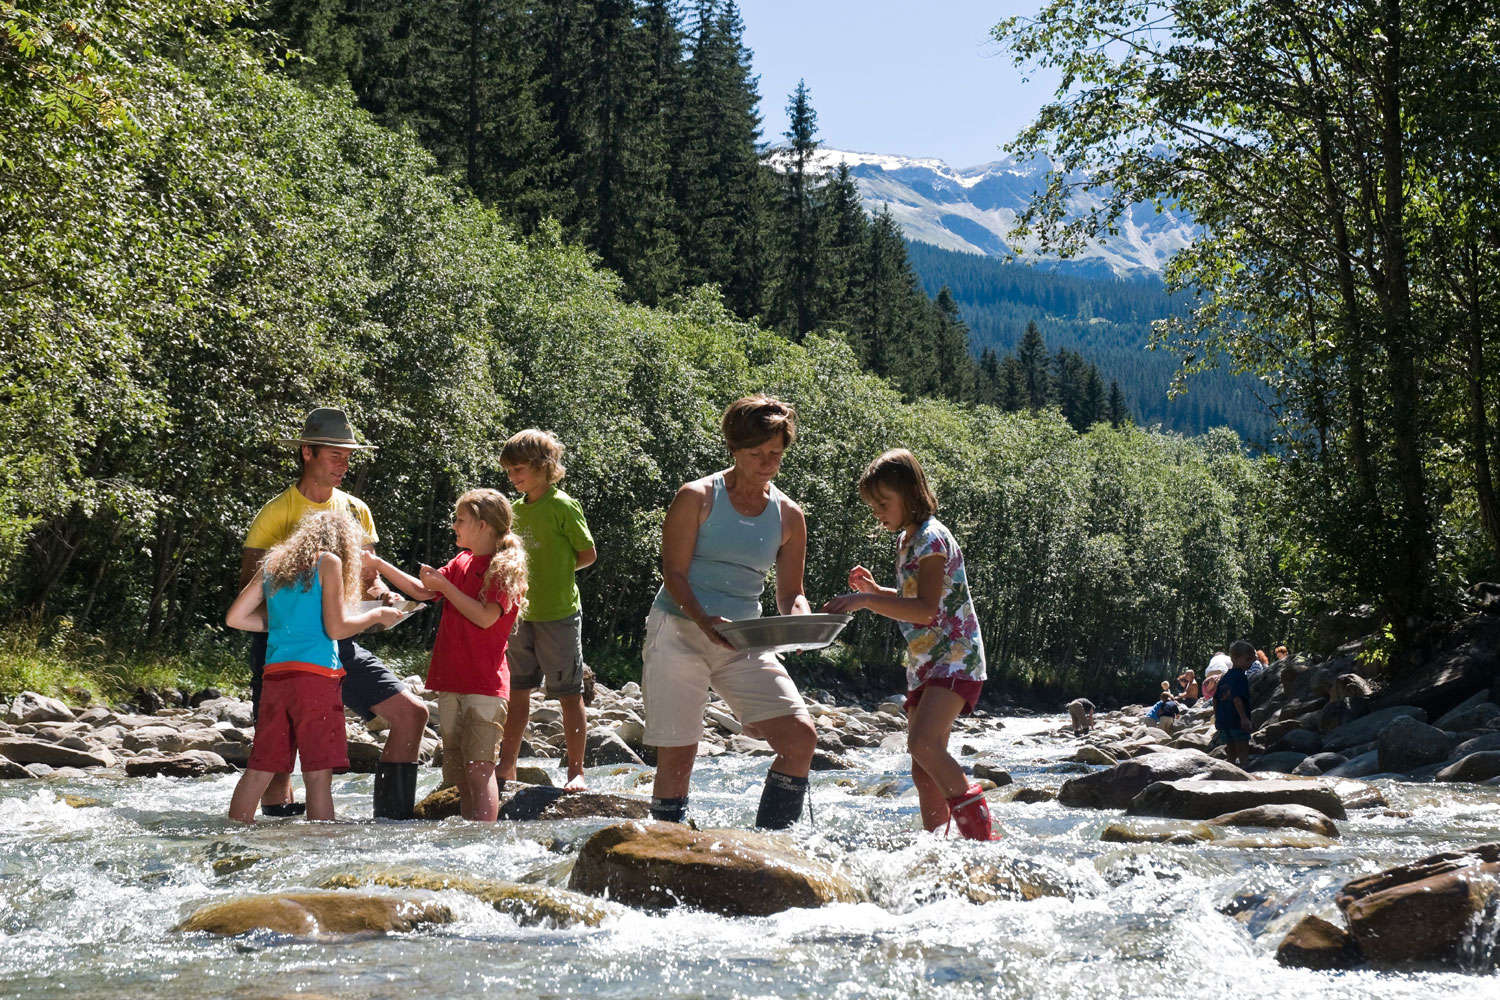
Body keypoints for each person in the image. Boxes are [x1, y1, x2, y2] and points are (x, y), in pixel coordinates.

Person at [239, 408, 431, 820]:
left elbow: (368, 579)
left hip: (340, 645)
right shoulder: (275, 514)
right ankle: (276, 857)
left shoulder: (358, 511)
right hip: (284, 652)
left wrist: (384, 598)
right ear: (307, 452)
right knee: (277, 762)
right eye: (335, 455)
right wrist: (298, 624)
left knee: (412, 714)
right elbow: (251, 593)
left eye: (348, 456)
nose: (344, 464)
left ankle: (391, 824)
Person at [643, 395, 818, 829]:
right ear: (734, 449)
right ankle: (666, 847)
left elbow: (790, 592)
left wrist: (802, 622)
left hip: (745, 639)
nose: (766, 462)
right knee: (679, 757)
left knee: (800, 741)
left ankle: (772, 846)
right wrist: (704, 619)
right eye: (755, 453)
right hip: (679, 629)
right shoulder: (696, 497)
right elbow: (675, 574)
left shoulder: (790, 515)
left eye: (775, 453)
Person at [826, 449, 995, 840]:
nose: (877, 513)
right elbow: (914, 598)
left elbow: (925, 610)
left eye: (883, 503)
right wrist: (875, 590)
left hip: (955, 659)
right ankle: (939, 843)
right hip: (927, 663)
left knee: (923, 744)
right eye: (872, 506)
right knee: (922, 762)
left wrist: (866, 601)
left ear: (911, 494)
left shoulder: (932, 539)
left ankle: (982, 841)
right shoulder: (909, 538)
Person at [225, 511, 403, 822]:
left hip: (275, 677)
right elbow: (336, 629)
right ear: (342, 543)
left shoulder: (273, 563)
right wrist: (377, 616)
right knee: (318, 777)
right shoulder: (329, 562)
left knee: (259, 770)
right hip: (316, 678)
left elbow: (235, 618)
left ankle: (229, 842)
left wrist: (285, 624)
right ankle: (322, 852)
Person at [372, 489, 526, 821]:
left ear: (482, 525)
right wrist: (378, 564)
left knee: (480, 769)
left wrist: (445, 587)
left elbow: (485, 617)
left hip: (485, 687)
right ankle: (469, 837)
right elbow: (424, 590)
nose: (454, 526)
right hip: (453, 682)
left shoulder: (504, 569)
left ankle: (484, 839)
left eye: (460, 520)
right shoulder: (462, 561)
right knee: (458, 776)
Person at [495, 430, 597, 792]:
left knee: (569, 694)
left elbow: (588, 554)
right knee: (517, 691)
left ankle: (576, 772)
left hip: (560, 614)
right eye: (508, 471)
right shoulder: (514, 511)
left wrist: (559, 572)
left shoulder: (563, 506)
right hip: (521, 615)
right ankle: (506, 767)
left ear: (544, 466)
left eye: (518, 468)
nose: (512, 477)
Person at [1214, 640, 1256, 768]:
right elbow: (1237, 698)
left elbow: (1215, 700)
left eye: (1252, 660)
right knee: (1242, 749)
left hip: (1224, 720)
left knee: (1230, 750)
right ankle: (1245, 770)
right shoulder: (1240, 677)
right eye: (1248, 660)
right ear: (1236, 658)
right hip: (1237, 721)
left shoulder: (1224, 678)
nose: (1250, 663)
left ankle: (1231, 771)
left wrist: (1217, 718)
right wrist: (1244, 718)